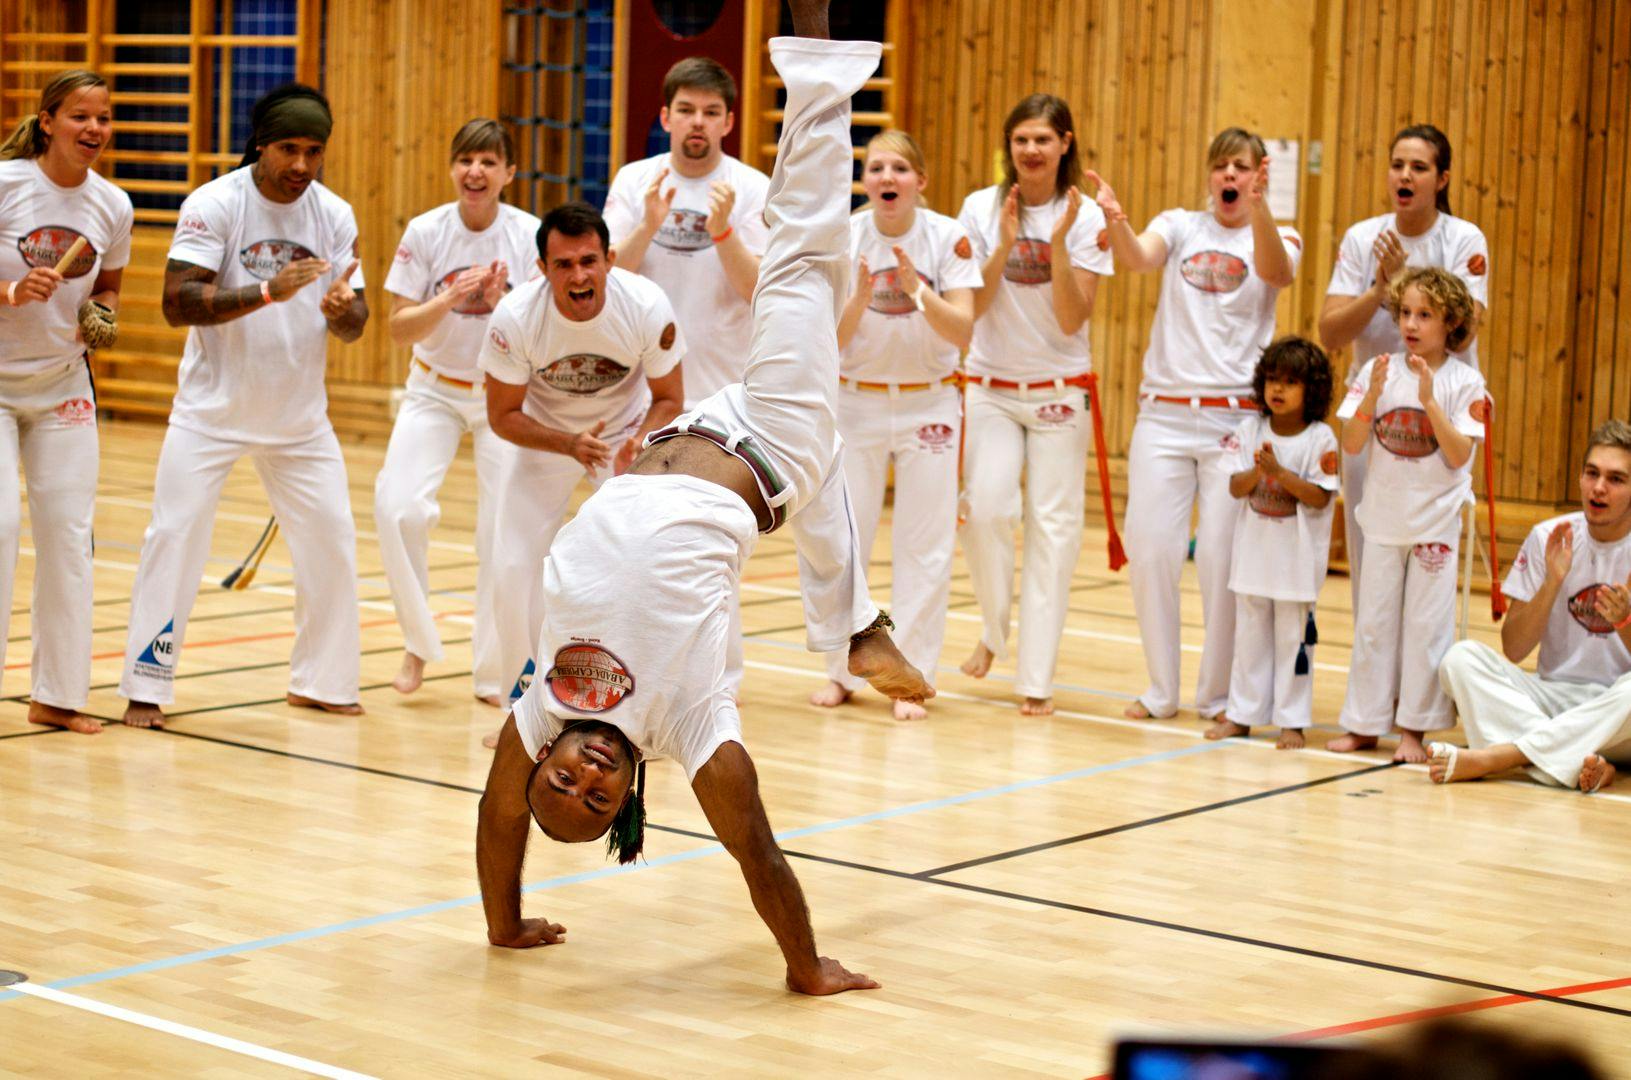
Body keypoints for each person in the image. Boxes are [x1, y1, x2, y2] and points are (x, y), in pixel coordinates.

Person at [476, 10, 930, 994]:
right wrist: (804, 965)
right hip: (769, 447)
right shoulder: (688, 727)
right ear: (627, 796)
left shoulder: (544, 705)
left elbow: (497, 815)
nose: (579, 777)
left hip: (680, 428)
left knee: (802, 290)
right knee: (806, 268)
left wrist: (504, 923)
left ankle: (850, 622)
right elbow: (757, 851)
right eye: (595, 797)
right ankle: (816, 62)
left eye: (561, 778)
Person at [118, 83, 368, 729]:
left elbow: (355, 318)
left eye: (314, 150)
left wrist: (345, 313)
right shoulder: (215, 204)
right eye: (289, 148)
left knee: (333, 541)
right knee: (172, 539)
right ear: (261, 144)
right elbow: (178, 304)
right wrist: (264, 291)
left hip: (299, 423)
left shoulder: (333, 214)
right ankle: (146, 686)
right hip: (210, 416)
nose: (302, 165)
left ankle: (323, 679)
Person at [1090, 127, 1302, 723]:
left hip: (1234, 421)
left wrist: (1258, 208)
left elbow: (1277, 272)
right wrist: (1116, 220)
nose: (1227, 177)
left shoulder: (1281, 234)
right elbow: (1136, 258)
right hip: (1163, 414)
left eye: (1239, 168)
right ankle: (1162, 690)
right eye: (1220, 167)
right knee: (1152, 549)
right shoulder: (1180, 224)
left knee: (1218, 559)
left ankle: (1217, 695)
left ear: (1259, 174)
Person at [478, 201, 685, 732]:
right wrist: (569, 443)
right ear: (543, 270)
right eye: (564, 264)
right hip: (546, 437)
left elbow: (670, 397)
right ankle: (521, 704)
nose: (579, 275)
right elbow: (502, 417)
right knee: (513, 567)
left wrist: (637, 442)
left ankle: (643, 698)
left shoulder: (646, 305)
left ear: (610, 260)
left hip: (624, 434)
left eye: (589, 261)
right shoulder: (515, 318)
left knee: (648, 563)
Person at [602, 56, 771, 701]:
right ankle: (636, 671)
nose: (697, 123)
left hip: (720, 395)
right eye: (686, 110)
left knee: (714, 546)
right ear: (665, 116)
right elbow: (610, 274)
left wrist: (724, 230)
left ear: (728, 121)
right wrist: (647, 221)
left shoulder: (751, 187)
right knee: (636, 538)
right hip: (640, 392)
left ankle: (713, 688)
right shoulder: (635, 179)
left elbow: (756, 287)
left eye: (710, 112)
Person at [807, 130, 978, 721]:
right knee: (845, 540)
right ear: (865, 181)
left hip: (931, 405)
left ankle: (913, 675)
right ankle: (839, 670)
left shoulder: (949, 236)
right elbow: (827, 343)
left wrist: (917, 292)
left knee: (925, 546)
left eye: (900, 167)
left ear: (920, 182)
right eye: (876, 167)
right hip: (855, 403)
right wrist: (857, 299)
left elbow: (964, 333)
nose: (887, 177)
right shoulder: (846, 237)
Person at [954, 94, 1114, 716]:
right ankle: (994, 632)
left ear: (1065, 144)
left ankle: (1036, 679)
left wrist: (1062, 245)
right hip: (992, 386)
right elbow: (978, 303)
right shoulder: (980, 207)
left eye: (1043, 139)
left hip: (1059, 393)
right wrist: (1002, 242)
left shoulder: (1088, 215)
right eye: (1020, 139)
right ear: (1009, 146)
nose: (1031, 150)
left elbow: (1075, 315)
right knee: (987, 510)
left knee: (1055, 532)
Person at [376, 119, 539, 706]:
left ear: (508, 174)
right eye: (467, 159)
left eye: (490, 162)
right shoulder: (425, 232)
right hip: (433, 389)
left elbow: (543, 332)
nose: (476, 171)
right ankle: (417, 642)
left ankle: (493, 674)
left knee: (501, 533)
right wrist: (448, 299)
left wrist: (504, 304)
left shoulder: (528, 234)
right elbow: (397, 329)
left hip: (504, 395)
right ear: (452, 168)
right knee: (398, 509)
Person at [0, 69, 132, 735]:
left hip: (62, 388)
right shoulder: (5, 185)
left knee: (69, 537)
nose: (94, 130)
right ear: (47, 121)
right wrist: (8, 293)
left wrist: (102, 315)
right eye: (80, 116)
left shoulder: (113, 205)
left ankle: (56, 694)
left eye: (103, 118)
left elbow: (107, 284)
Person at [1320, 124, 1489, 610]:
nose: (1405, 175)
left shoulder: (1463, 239)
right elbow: (1331, 333)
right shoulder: (1362, 237)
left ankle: (1416, 679)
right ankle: (1374, 676)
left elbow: (1465, 332)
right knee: (1367, 546)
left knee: (1428, 561)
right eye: (1398, 164)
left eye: (1419, 167)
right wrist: (1380, 289)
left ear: (1442, 179)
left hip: (1439, 411)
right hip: (1370, 407)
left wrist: (1408, 286)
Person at [1332, 267, 1485, 762]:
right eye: (1405, 313)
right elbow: (1351, 441)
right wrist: (1373, 396)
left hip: (1435, 523)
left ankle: (1415, 730)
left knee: (1425, 627)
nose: (1412, 324)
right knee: (1374, 623)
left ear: (1452, 322)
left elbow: (1461, 455)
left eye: (1425, 315)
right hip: (1382, 518)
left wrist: (1428, 402)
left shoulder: (1466, 382)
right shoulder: (1378, 368)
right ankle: (1363, 724)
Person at [1432, 420, 1631, 792]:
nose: (1599, 488)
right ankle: (1582, 764)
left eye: (1616, 479)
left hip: (1618, 713)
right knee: (1459, 660)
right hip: (1551, 697)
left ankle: (1502, 756)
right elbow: (1514, 647)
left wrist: (1625, 620)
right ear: (1580, 479)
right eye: (1592, 473)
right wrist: (1552, 582)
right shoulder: (1549, 537)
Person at [1210, 338, 1338, 750]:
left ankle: (1292, 721)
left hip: (1296, 566)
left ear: (1311, 390)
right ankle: (1242, 715)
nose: (1277, 390)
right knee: (1249, 642)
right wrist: (1259, 472)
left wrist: (1280, 473)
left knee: (1294, 644)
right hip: (1252, 560)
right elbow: (1235, 487)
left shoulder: (1321, 439)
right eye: (1272, 380)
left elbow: (1319, 496)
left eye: (1290, 382)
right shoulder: (1250, 431)